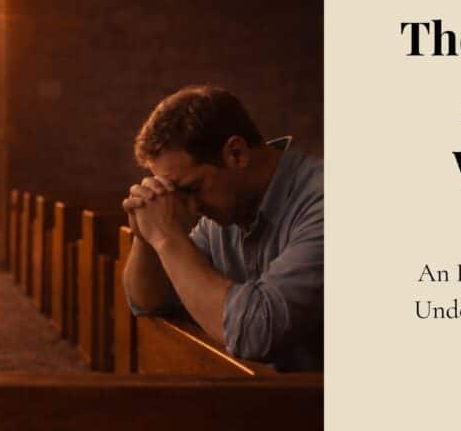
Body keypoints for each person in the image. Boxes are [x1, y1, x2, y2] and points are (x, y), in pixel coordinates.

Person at [122, 85, 323, 371]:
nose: (191, 207)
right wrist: (146, 236)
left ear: (236, 154)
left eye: (192, 188)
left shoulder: (322, 202)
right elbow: (149, 302)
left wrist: (167, 238)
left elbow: (255, 334)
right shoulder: (224, 210)